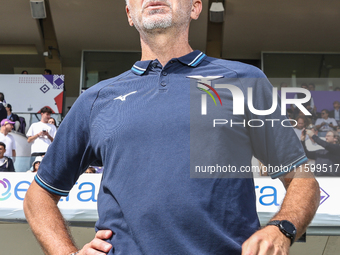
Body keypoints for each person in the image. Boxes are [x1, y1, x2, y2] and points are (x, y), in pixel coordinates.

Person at [24, 1, 320, 255]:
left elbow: (302, 180)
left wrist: (281, 229)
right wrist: (66, 251)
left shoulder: (243, 80)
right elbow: (39, 195)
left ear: (195, 8)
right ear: (129, 14)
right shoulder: (95, 99)